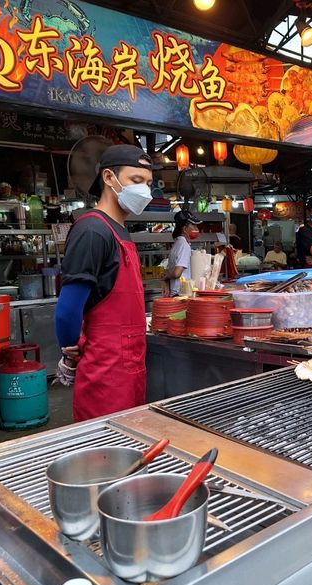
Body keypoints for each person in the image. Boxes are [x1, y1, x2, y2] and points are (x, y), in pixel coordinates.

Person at [54, 144, 155, 422]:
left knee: (129, 444)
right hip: (104, 370)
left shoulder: (120, 231)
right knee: (103, 453)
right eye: (136, 181)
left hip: (130, 364)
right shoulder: (92, 230)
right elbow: (68, 309)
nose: (144, 190)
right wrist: (69, 353)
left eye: (148, 183)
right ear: (109, 178)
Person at [163, 209, 202, 296]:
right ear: (184, 229)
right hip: (181, 293)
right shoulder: (184, 245)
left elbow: (170, 270)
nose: (197, 229)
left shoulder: (177, 244)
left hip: (176, 292)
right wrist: (166, 277)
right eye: (194, 226)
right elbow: (177, 273)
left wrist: (166, 279)